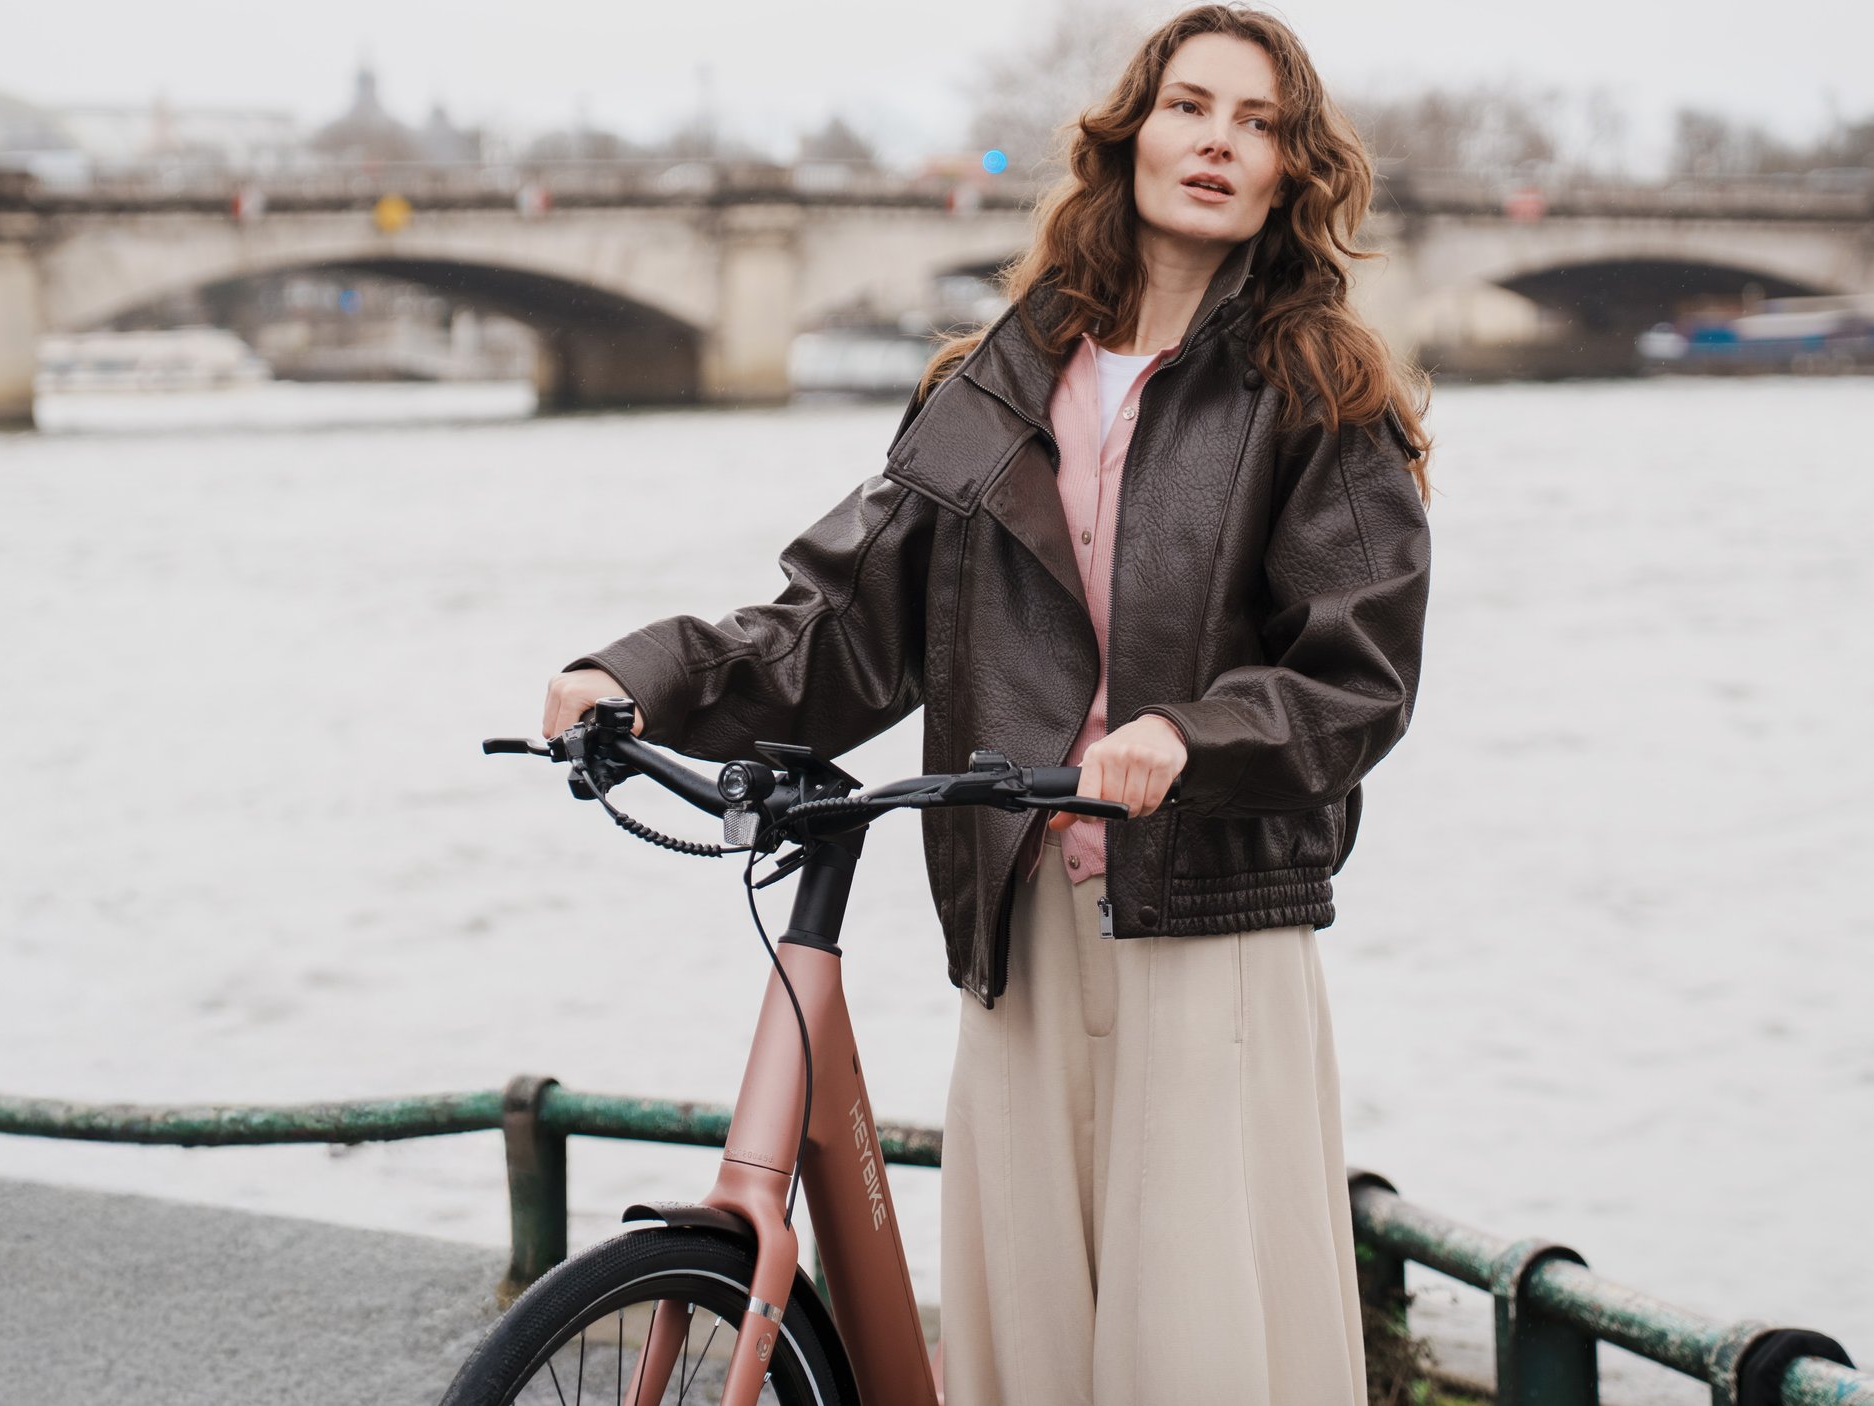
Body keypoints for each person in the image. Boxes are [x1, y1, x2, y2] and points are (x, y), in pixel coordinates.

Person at [543, 6, 1432, 1402]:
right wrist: (638, 678)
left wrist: (1191, 735)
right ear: (1129, 135)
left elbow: (1357, 675)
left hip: (1203, 917)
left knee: (1194, 1336)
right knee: (1028, 1340)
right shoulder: (998, 381)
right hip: (1015, 912)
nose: (1217, 141)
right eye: (1190, 106)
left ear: (1290, 172)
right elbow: (843, 621)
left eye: (1257, 124)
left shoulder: (1320, 391)